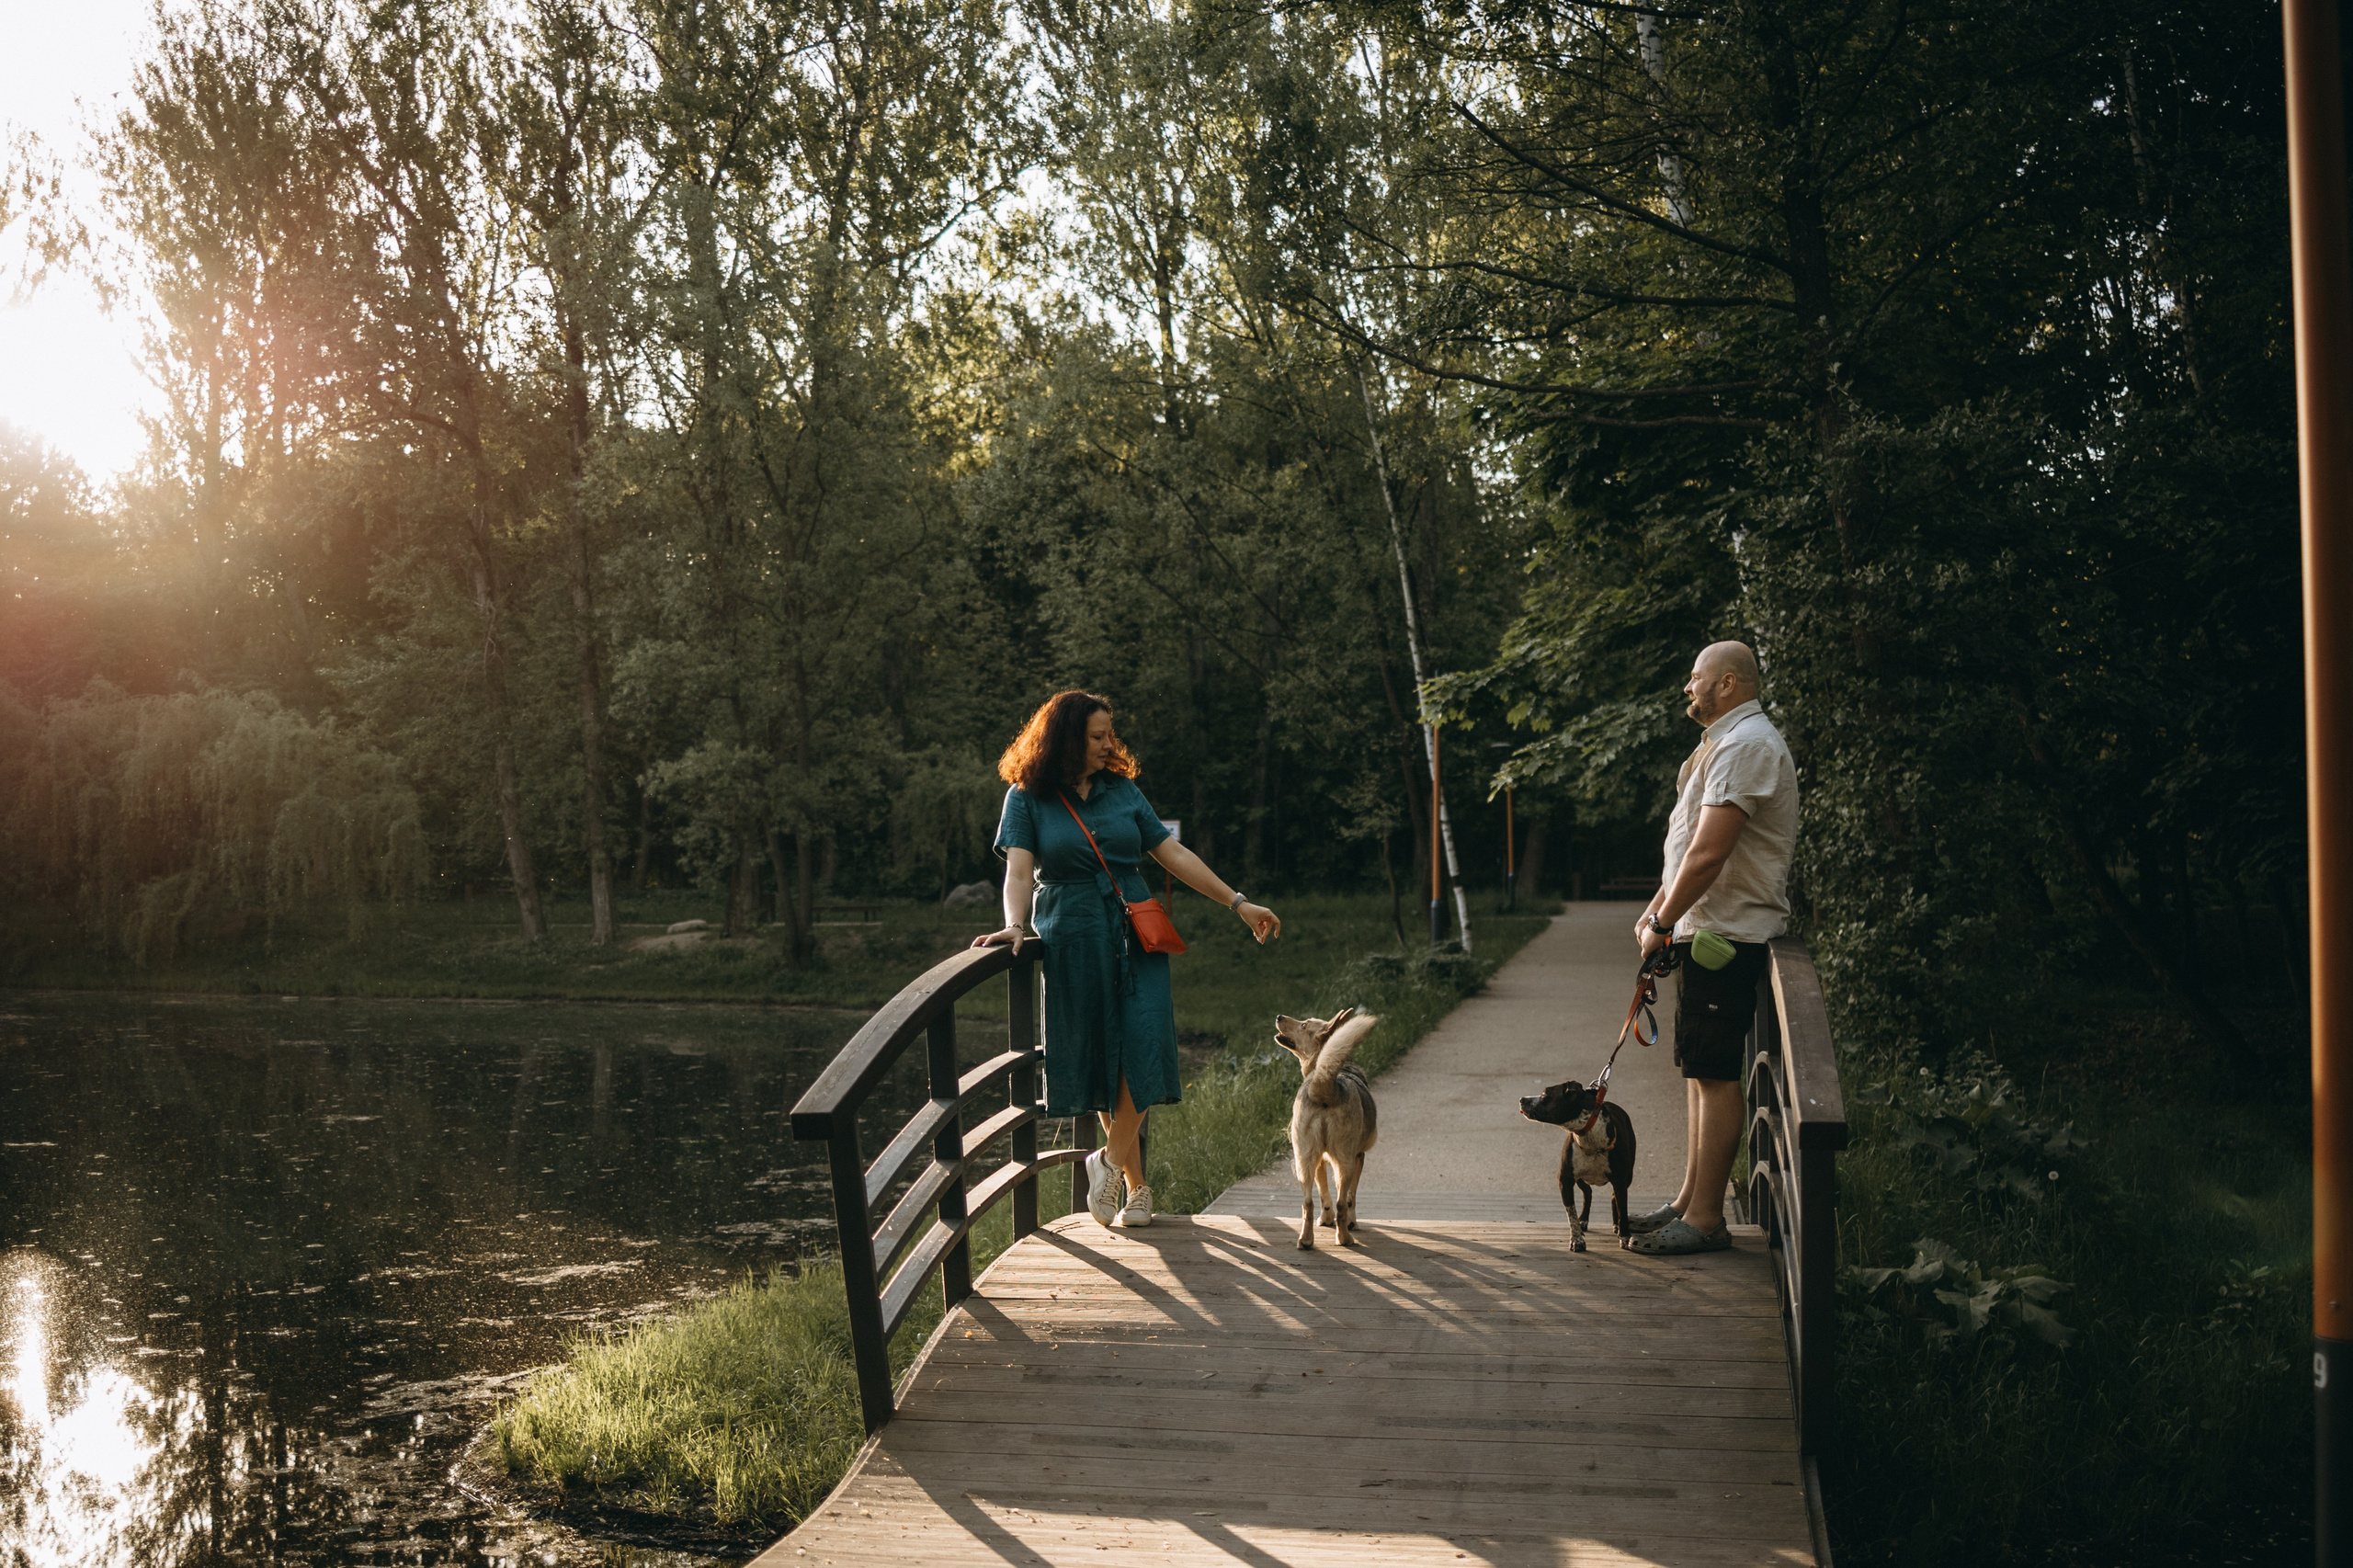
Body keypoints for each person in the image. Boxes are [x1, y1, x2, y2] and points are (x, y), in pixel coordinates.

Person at [975, 690, 1280, 1229]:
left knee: (1145, 1043)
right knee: (1100, 1054)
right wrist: (1015, 926)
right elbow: (1019, 872)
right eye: (1096, 736)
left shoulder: (1122, 792)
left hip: (1135, 929)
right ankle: (1136, 1189)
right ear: (1064, 737)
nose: (1107, 745)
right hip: (1072, 932)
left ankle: (1108, 1161)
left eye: (1109, 734)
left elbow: (1174, 854)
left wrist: (1238, 902)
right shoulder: (1026, 797)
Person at [1620, 641, 1799, 1256]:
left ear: (1727, 684)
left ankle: (1705, 1221)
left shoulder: (1746, 745)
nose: (1687, 688)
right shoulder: (1725, 743)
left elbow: (1711, 852)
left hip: (1728, 934)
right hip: (1708, 931)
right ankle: (1691, 1200)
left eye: (1696, 678)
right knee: (1700, 1068)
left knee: (1716, 1073)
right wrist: (1657, 911)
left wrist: (1662, 922)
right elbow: (1689, 849)